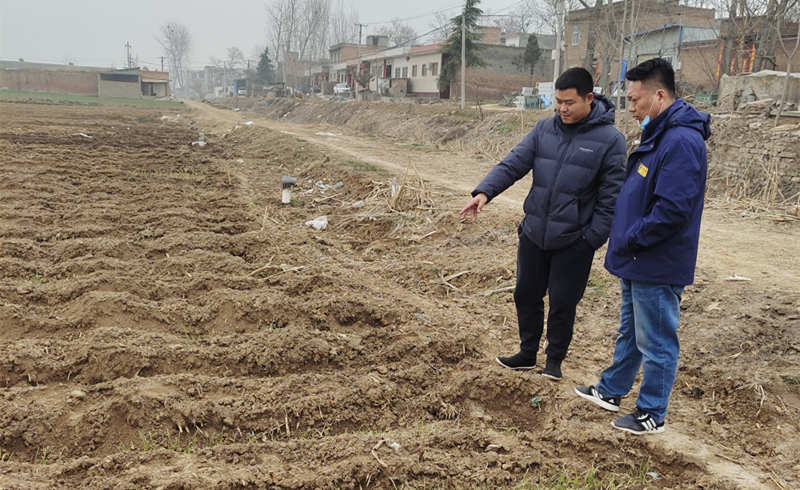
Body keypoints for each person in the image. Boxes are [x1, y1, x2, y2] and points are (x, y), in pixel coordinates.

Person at [460, 67, 626, 381]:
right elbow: (514, 163)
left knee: (563, 302)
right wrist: (484, 192)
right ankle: (526, 353)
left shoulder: (610, 141)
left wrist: (591, 239)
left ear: (589, 98)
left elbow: (611, 199)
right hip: (535, 231)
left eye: (569, 102)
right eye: (557, 102)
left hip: (574, 239)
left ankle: (554, 362)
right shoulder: (543, 130)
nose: (562, 109)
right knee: (525, 293)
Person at [574, 58, 710, 434]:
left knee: (657, 338)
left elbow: (672, 210)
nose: (629, 108)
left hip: (656, 258)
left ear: (659, 95)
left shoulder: (682, 140)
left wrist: (632, 236)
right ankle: (612, 389)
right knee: (632, 331)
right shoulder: (661, 134)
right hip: (638, 256)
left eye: (634, 100)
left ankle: (652, 412)